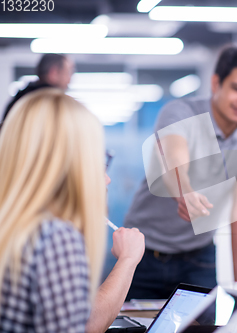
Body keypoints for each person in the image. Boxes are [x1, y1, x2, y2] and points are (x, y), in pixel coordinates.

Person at [124, 44, 237, 299]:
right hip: (142, 251)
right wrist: (185, 192)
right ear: (216, 84)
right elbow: (173, 157)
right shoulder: (180, 111)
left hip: (199, 256)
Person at [0, 89, 145, 333]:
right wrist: (128, 259)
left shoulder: (15, 225)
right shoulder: (55, 238)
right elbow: (87, 328)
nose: (107, 179)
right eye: (95, 161)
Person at [1, 53, 74, 128]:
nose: (69, 80)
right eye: (68, 72)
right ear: (53, 73)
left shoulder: (19, 100)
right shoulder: (55, 105)